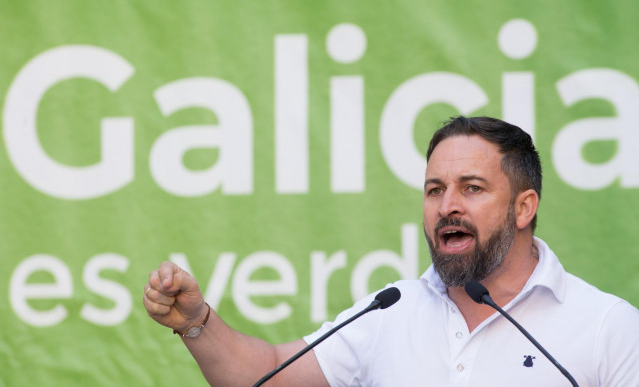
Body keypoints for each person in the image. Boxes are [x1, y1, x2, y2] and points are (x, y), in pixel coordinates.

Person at [143, 116, 639, 386]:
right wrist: (196, 322)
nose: (447, 206)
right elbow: (266, 373)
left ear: (523, 206)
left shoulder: (605, 328)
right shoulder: (390, 311)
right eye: (433, 189)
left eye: (471, 188)